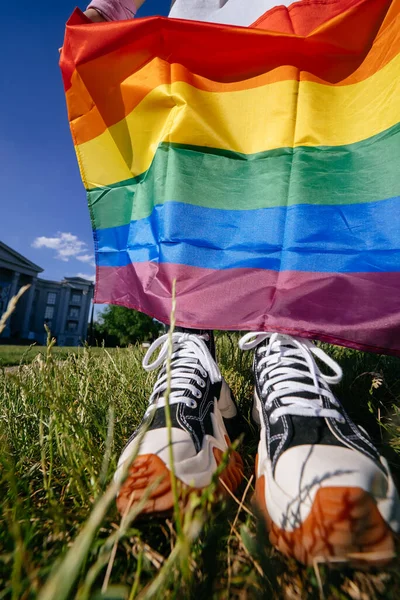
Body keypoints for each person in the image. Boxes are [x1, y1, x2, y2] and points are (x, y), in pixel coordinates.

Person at [75, 0, 400, 566]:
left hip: (304, 12)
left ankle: (285, 352)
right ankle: (197, 378)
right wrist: (111, 7)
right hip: (200, 20)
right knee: (194, 172)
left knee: (298, 160)